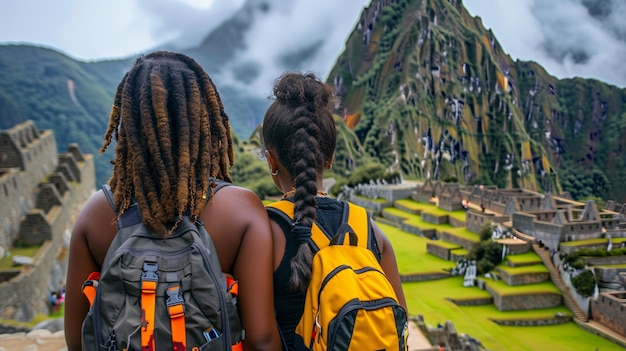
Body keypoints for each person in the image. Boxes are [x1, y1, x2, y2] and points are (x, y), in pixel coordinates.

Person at [64, 51, 281, 351]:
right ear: (204, 119)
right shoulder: (241, 211)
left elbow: (78, 340)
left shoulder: (96, 215)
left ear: (130, 123)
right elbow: (262, 340)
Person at [261, 72, 408, 350]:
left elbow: (261, 339)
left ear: (271, 160)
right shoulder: (368, 227)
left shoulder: (265, 230)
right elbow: (400, 319)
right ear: (329, 159)